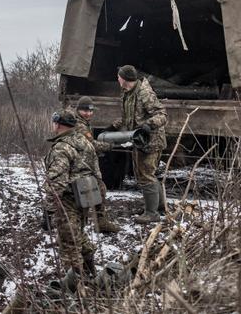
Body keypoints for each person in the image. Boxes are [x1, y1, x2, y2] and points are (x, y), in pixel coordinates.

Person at [109, 65, 168, 224]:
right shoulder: (127, 94)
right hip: (139, 139)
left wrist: (149, 125)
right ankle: (160, 207)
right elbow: (128, 118)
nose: (118, 78)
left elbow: (162, 114)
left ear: (125, 79)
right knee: (147, 173)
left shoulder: (144, 94)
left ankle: (151, 213)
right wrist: (113, 126)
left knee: (146, 174)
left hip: (151, 141)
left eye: (119, 76)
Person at [44, 110, 97, 277]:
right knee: (79, 235)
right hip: (85, 196)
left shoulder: (62, 147)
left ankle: (75, 287)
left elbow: (57, 183)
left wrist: (48, 210)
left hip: (67, 201)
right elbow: (96, 171)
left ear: (58, 124)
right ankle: (91, 272)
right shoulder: (84, 142)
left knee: (69, 245)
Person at [74, 96, 120, 234]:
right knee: (86, 193)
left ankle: (100, 221)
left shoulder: (84, 122)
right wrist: (110, 146)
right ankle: (81, 225)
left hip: (88, 163)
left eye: (90, 110)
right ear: (78, 110)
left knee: (100, 189)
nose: (88, 113)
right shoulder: (79, 125)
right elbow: (91, 144)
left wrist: (111, 128)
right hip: (81, 164)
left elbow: (92, 138)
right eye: (84, 110)